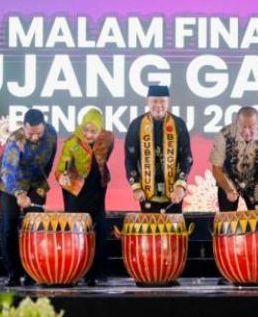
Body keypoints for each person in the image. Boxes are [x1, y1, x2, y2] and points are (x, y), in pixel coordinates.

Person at [0, 109, 58, 286]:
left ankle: (33, 271)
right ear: (24, 127)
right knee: (9, 225)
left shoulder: (51, 134)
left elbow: (49, 162)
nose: (35, 137)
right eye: (31, 134)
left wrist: (40, 186)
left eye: (39, 133)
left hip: (35, 182)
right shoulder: (16, 140)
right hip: (10, 185)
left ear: (44, 127)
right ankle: (13, 273)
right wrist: (19, 193)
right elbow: (7, 172)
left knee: (36, 226)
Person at [56, 108, 115, 286]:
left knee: (99, 229)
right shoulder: (71, 142)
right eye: (85, 130)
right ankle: (75, 271)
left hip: (97, 187)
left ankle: (97, 272)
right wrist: (63, 175)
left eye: (93, 131)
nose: (88, 135)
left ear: (100, 130)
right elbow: (62, 167)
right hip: (75, 190)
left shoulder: (108, 138)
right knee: (77, 231)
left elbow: (105, 155)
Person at [125, 85, 193, 213]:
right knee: (150, 225)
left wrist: (180, 185)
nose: (158, 105)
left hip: (174, 191)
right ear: (148, 101)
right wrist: (136, 186)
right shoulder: (137, 125)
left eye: (162, 101)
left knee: (174, 225)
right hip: (146, 192)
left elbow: (186, 157)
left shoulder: (178, 124)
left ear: (168, 102)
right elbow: (130, 158)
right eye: (154, 101)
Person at [210, 106, 258, 211]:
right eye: (243, 126)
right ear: (237, 123)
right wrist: (227, 190)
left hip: (256, 181)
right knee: (227, 218)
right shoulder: (224, 134)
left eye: (251, 127)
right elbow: (216, 168)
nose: (247, 131)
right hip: (228, 180)